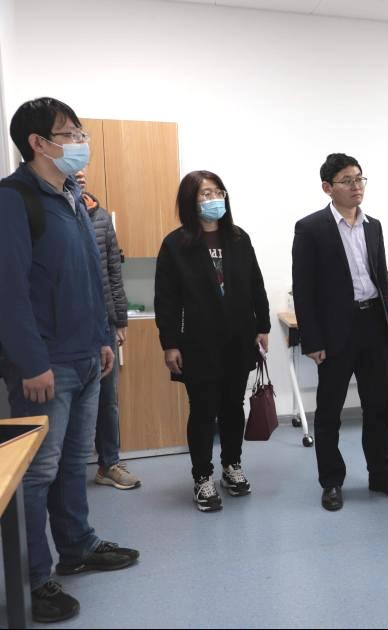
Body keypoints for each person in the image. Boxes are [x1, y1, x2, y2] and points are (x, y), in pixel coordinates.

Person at [0, 97, 138, 624]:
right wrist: (31, 362)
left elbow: (89, 275)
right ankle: (34, 579)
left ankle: (78, 545)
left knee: (74, 464)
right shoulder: (15, 199)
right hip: (46, 365)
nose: (81, 142)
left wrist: (103, 338)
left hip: (86, 356)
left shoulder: (73, 196)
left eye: (81, 133)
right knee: (36, 475)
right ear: (38, 143)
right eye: (70, 134)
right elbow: (8, 291)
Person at [292, 153, 388, 512]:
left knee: (378, 405)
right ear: (327, 188)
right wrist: (312, 340)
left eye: (359, 178)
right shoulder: (310, 228)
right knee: (329, 410)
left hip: (372, 325)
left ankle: (381, 474)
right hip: (334, 332)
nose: (356, 186)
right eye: (347, 180)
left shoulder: (373, 226)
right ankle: (331, 481)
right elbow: (304, 289)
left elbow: (381, 277)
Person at [154, 170, 270, 512]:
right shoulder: (175, 244)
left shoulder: (238, 238)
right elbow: (166, 299)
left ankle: (232, 466)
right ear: (190, 201)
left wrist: (262, 325)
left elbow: (256, 284)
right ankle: (202, 477)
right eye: (205, 194)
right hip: (198, 342)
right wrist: (169, 343)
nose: (213, 198)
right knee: (203, 410)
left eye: (218, 192)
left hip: (238, 338)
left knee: (233, 406)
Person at [74, 169, 141, 490]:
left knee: (107, 400)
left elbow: (114, 271)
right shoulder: (53, 213)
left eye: (82, 161)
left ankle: (109, 463)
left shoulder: (100, 217)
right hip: (66, 327)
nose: (80, 171)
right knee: (71, 402)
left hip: (103, 325)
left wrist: (120, 321)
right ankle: (66, 473)